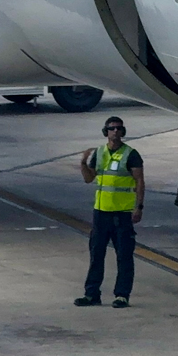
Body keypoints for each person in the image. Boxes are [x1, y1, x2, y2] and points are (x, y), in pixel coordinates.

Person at [75, 115, 143, 308]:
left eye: (119, 128)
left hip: (122, 213)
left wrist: (139, 206)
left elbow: (140, 181)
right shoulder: (99, 153)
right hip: (101, 212)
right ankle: (91, 294)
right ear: (106, 132)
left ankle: (122, 295)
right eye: (112, 128)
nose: (115, 132)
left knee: (124, 255)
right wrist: (83, 163)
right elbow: (89, 179)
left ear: (123, 132)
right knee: (96, 254)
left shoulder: (131, 154)